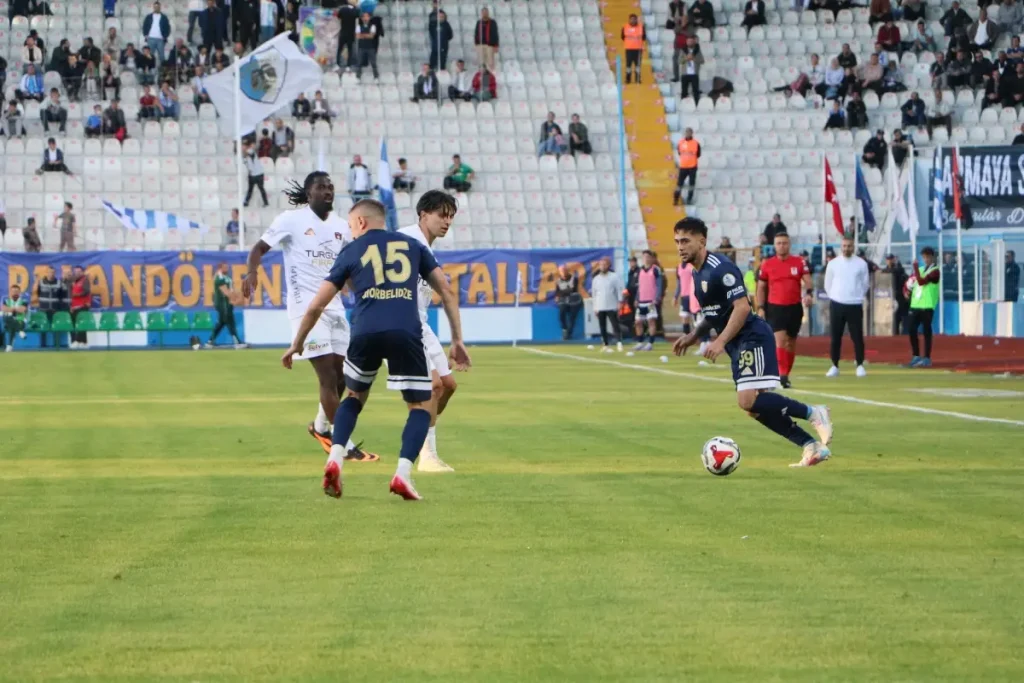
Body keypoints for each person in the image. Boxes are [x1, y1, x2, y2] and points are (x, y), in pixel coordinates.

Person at [282, 198, 471, 501]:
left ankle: (334, 460)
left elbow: (317, 304)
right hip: (406, 331)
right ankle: (403, 475)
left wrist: (296, 343)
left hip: (365, 330)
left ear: (360, 222)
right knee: (420, 406)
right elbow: (447, 292)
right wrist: (457, 340)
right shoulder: (413, 245)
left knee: (354, 397)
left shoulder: (351, 250)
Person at [672, 217, 833, 468]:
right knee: (754, 408)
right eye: (676, 241)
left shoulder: (720, 268)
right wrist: (694, 335)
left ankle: (813, 412)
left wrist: (719, 341)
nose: (680, 246)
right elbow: (714, 313)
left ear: (701, 241)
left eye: (685, 240)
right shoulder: (697, 272)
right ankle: (810, 446)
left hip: (751, 337)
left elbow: (742, 308)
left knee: (746, 400)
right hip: (738, 343)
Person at [243, 172, 379, 463]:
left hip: (335, 308)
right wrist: (251, 271)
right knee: (327, 376)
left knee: (345, 377)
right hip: (305, 306)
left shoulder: (343, 226)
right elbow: (259, 248)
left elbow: (348, 270)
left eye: (330, 186)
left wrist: (364, 294)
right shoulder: (290, 220)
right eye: (320, 187)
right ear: (308, 192)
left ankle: (320, 426)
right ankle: (345, 444)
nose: (327, 190)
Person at [398, 191, 461, 473]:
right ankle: (427, 456)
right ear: (424, 214)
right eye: (441, 215)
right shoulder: (406, 239)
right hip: (403, 326)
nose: (447, 221)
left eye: (450, 216)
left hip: (422, 325)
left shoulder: (426, 246)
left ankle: (421, 433)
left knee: (448, 386)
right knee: (433, 386)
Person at [756, 232, 813, 389]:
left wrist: (809, 294)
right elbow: (761, 287)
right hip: (775, 307)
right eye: (779, 243)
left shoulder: (799, 262)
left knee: (791, 343)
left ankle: (785, 375)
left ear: (789, 244)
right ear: (774, 245)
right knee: (779, 340)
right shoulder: (767, 264)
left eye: (785, 243)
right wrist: (760, 307)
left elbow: (808, 280)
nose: (782, 246)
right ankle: (781, 375)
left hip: (794, 307)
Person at [824, 235, 870, 378]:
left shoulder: (861, 264)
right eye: (844, 246)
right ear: (841, 247)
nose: (846, 249)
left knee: (857, 336)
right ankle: (834, 365)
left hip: (854, 304)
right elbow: (828, 284)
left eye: (849, 246)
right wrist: (835, 296)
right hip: (837, 303)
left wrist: (856, 296)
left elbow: (865, 284)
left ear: (853, 247)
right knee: (835, 336)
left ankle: (860, 364)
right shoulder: (833, 264)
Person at [905, 246, 940, 367]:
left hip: (927, 306)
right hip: (916, 305)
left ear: (932, 257)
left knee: (926, 331)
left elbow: (921, 281)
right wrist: (906, 290)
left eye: (928, 257)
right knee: (911, 329)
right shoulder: (920, 269)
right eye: (924, 257)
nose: (925, 259)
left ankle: (927, 358)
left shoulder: (935, 271)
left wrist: (914, 266)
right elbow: (911, 282)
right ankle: (916, 355)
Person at [206, 262, 247, 348]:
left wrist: (239, 296)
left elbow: (231, 290)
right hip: (222, 303)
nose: (227, 269)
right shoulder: (219, 278)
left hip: (228, 303)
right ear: (220, 268)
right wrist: (236, 299)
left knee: (221, 323)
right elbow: (226, 292)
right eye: (225, 267)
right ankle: (237, 342)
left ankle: (210, 341)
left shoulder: (227, 277)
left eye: (227, 267)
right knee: (230, 321)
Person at [632, 250, 663, 351]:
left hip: (651, 300)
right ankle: (640, 342)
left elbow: (659, 285)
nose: (646, 259)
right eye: (644, 257)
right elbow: (639, 286)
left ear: (651, 258)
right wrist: (636, 298)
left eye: (647, 257)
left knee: (651, 321)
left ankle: (650, 343)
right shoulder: (639, 270)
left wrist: (656, 298)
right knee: (638, 322)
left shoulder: (655, 269)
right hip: (641, 301)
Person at [592, 257, 623, 352]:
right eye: (601, 265)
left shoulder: (614, 276)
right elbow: (594, 293)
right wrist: (595, 307)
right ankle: (605, 344)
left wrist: (620, 302)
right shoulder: (596, 279)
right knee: (602, 326)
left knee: (615, 324)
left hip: (612, 304)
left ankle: (619, 342)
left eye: (605, 264)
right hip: (600, 305)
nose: (603, 266)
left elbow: (619, 290)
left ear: (609, 266)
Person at [33, 265, 68, 348]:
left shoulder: (59, 283)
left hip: (55, 310)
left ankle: (56, 345)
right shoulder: (41, 282)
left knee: (55, 327)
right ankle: (43, 345)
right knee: (43, 328)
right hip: (43, 309)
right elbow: (37, 293)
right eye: (49, 272)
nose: (51, 274)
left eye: (53, 272)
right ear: (47, 273)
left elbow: (63, 295)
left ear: (55, 273)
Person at [554, 265, 583, 340]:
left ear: (567, 271)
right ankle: (564, 329)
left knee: (572, 317)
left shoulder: (574, 279)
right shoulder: (558, 281)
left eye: (564, 270)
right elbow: (557, 293)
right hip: (564, 301)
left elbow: (572, 290)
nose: (563, 272)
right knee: (561, 314)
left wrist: (561, 293)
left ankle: (568, 334)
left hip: (574, 301)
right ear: (559, 272)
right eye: (561, 271)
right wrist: (561, 294)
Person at [882, 253, 909, 335]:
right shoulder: (885, 271)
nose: (890, 261)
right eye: (888, 259)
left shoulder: (900, 270)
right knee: (893, 319)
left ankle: (904, 335)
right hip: (888, 298)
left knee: (902, 318)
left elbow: (905, 279)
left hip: (900, 297)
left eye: (891, 259)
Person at [674, 127, 700, 206]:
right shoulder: (681, 142)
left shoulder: (696, 143)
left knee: (691, 184)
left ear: (692, 134)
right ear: (685, 133)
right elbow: (679, 152)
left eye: (689, 132)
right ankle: (676, 199)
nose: (688, 134)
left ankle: (689, 199)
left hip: (692, 167)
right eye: (687, 132)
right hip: (683, 167)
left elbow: (698, 154)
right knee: (679, 184)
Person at [68, 265, 91, 349]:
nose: (77, 273)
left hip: (83, 306)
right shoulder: (73, 281)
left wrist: (77, 294)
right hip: (74, 306)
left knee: (82, 325)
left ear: (82, 272)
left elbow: (86, 291)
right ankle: (80, 342)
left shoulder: (85, 280)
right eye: (75, 272)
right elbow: (70, 293)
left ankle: (80, 341)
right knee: (74, 324)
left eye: (79, 272)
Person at [621, 14, 646, 84]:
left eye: (634, 19)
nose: (633, 20)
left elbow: (644, 37)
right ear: (629, 20)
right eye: (631, 19)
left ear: (636, 20)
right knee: (628, 65)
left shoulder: (641, 27)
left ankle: (637, 79)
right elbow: (622, 37)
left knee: (638, 65)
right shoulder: (625, 27)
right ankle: (628, 79)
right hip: (629, 49)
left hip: (638, 49)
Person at [1, 285, 28, 352]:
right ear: (10, 292)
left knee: (11, 324)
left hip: (20, 321)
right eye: (13, 291)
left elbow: (22, 310)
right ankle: (20, 331)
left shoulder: (24, 301)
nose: (15, 293)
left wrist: (11, 309)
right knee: (7, 317)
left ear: (19, 292)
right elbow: (3, 309)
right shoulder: (6, 300)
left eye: (17, 291)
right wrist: (16, 309)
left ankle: (9, 346)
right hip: (9, 322)